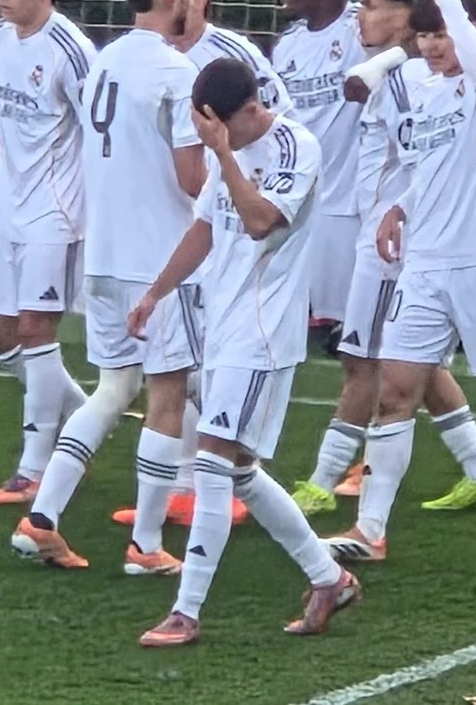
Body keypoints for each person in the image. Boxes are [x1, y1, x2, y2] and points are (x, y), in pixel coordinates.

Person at [321, 0, 476, 564]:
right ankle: (370, 530)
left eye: (442, 34)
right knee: (394, 392)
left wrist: (453, 2)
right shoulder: (424, 96)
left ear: (468, 31)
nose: (432, 47)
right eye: (425, 35)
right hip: (424, 267)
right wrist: (397, 211)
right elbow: (424, 170)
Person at [132, 58, 359, 647]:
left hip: (263, 333)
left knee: (210, 461)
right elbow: (207, 227)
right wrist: (156, 292)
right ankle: (328, 577)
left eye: (218, 128)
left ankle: (186, 612)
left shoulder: (296, 148)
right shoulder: (223, 144)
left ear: (249, 111)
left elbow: (260, 221)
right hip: (223, 326)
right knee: (239, 471)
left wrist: (225, 156)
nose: (210, 139)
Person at [11, 0, 204, 577]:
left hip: (104, 255)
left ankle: (41, 518)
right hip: (159, 262)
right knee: (168, 391)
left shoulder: (107, 61)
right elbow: (188, 176)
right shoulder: (176, 73)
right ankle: (146, 545)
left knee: (116, 388)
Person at [291, 0, 476, 515]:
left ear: (405, 15)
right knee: (415, 368)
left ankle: (321, 482)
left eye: (371, 5)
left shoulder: (422, 81)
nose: (359, 15)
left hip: (396, 245)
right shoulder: (396, 71)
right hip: (380, 231)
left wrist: (401, 215)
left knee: (364, 360)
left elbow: (427, 160)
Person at [108, 0, 289, 530]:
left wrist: (245, 188)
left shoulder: (232, 56)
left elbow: (277, 130)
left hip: (231, 228)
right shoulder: (146, 57)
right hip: (180, 230)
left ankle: (230, 475)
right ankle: (189, 482)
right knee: (181, 363)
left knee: (205, 359)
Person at [0, 0, 97, 504]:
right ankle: (85, 417)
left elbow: (100, 132)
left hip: (57, 207)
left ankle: (34, 468)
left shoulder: (72, 51)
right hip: (8, 207)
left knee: (34, 330)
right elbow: (5, 125)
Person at [273, 0, 367, 339]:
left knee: (353, 335)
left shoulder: (361, 29)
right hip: (299, 196)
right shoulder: (287, 46)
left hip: (351, 199)